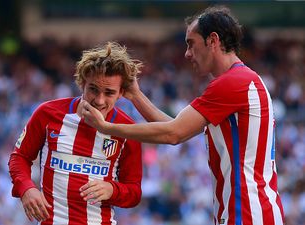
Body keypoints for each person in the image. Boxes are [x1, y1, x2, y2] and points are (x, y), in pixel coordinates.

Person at [79, 6, 285, 225]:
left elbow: (173, 134)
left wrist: (106, 128)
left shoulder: (232, 83)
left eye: (191, 43)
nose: (187, 53)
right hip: (251, 211)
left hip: (247, 214)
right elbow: (175, 128)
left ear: (212, 40)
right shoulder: (242, 80)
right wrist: (136, 96)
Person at [8, 42, 143, 225]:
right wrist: (26, 188)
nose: (99, 100)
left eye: (109, 93)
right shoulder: (48, 114)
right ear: (82, 83)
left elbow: (134, 193)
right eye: (93, 89)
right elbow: (20, 157)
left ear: (121, 93)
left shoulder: (128, 129)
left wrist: (112, 190)